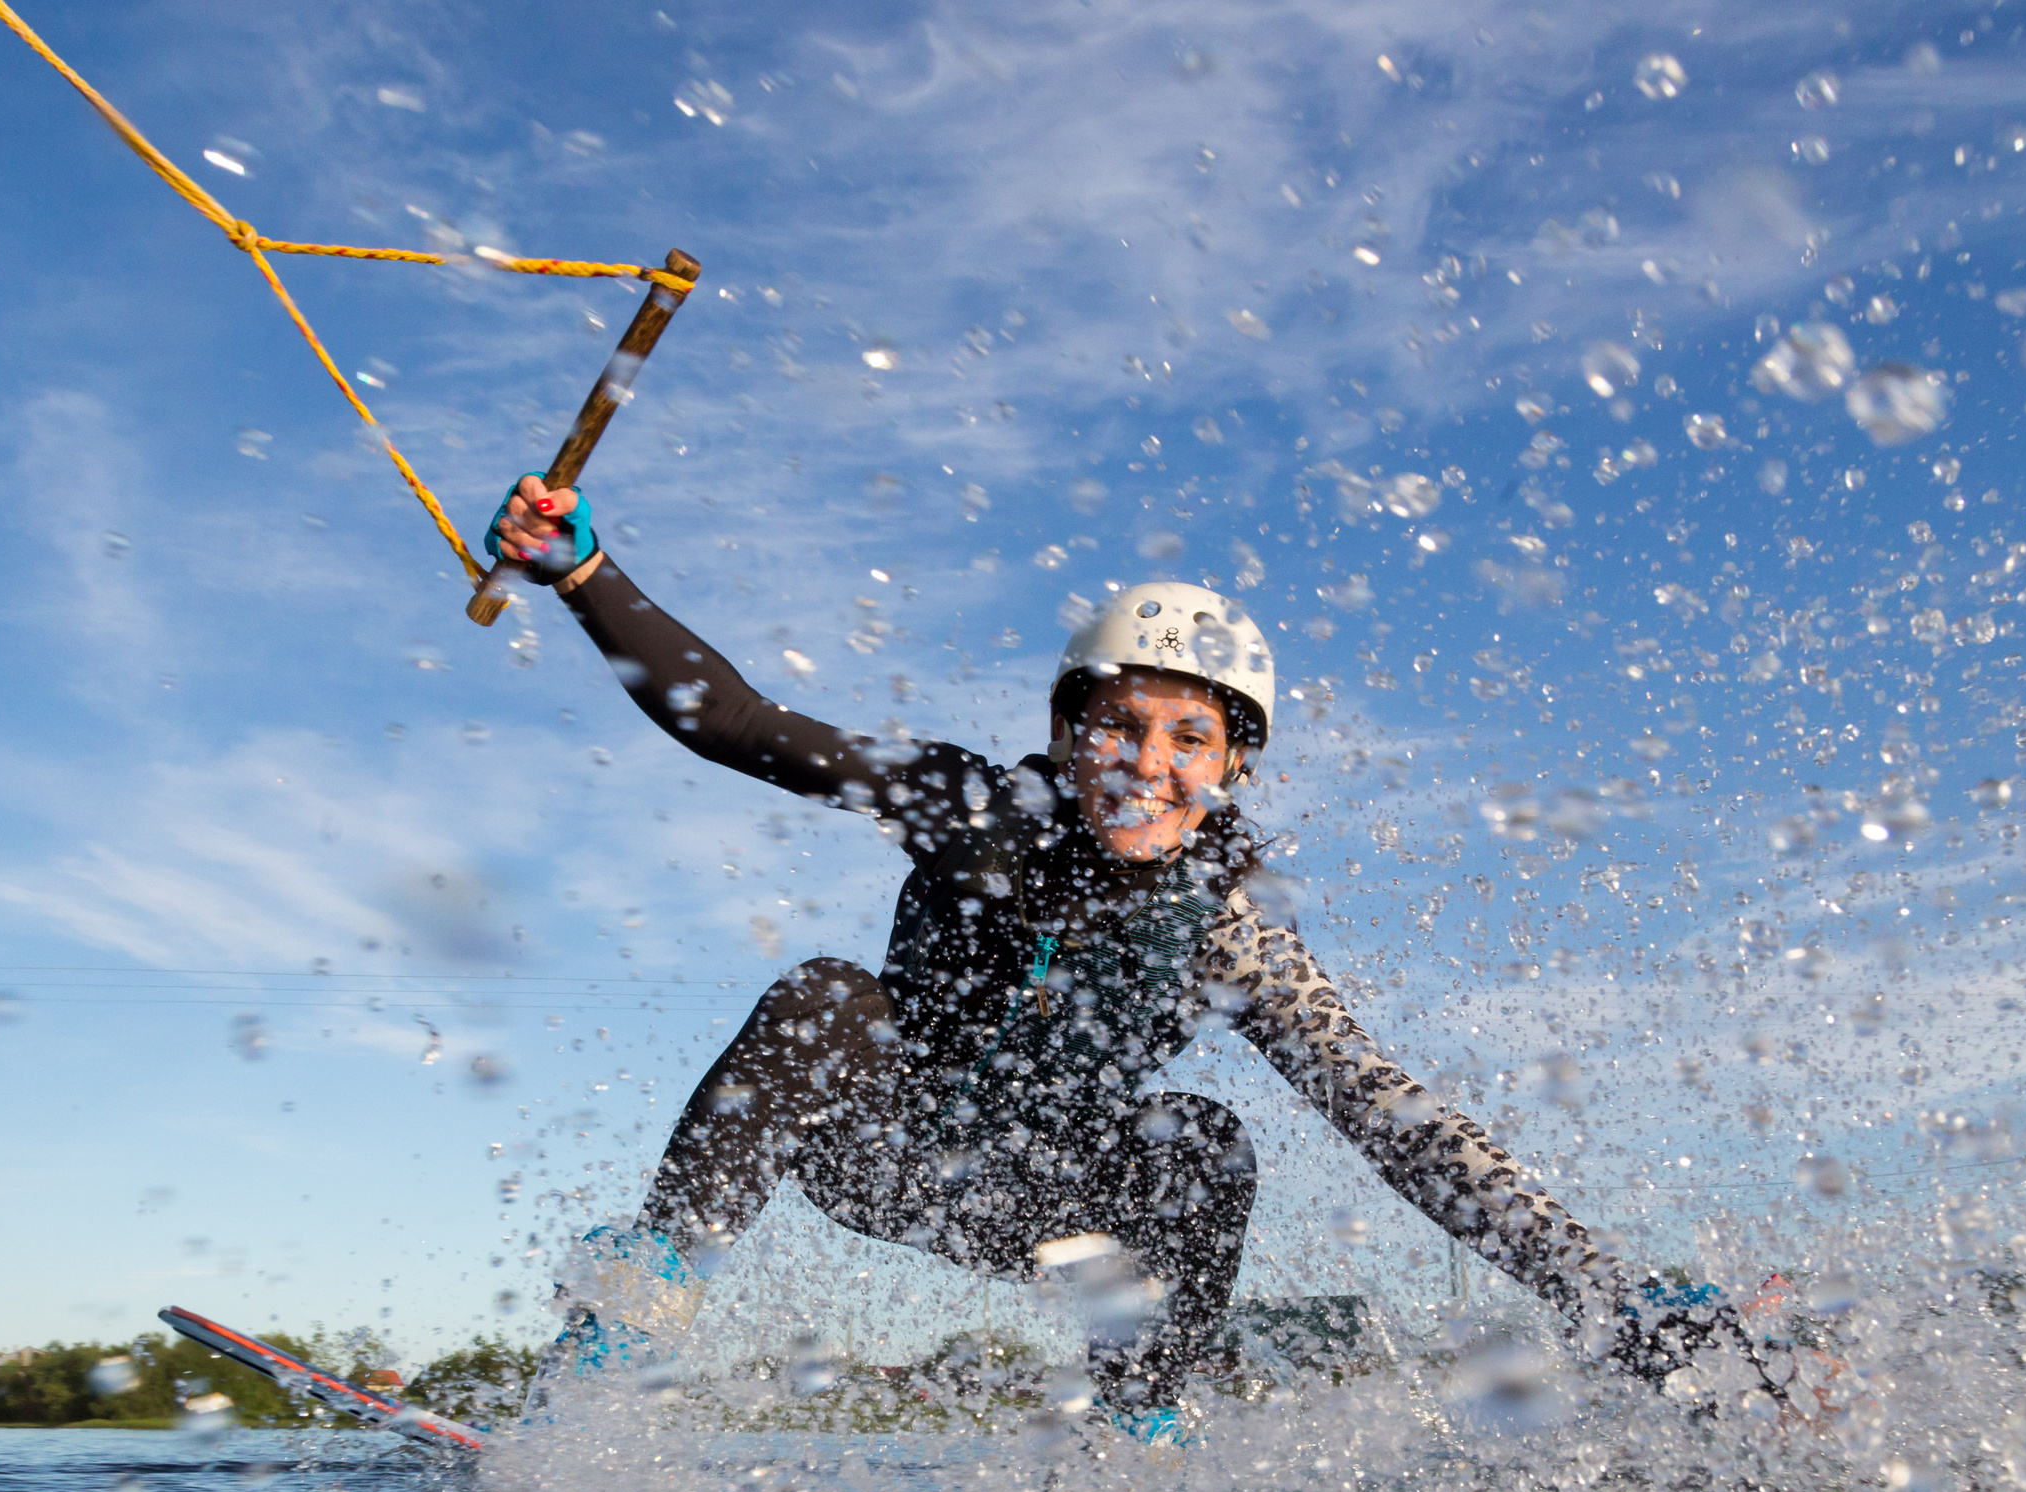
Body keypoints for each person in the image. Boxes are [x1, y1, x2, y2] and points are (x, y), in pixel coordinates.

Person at [485, 473, 1775, 1434]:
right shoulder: (973, 805)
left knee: (1204, 1139)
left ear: (1230, 766)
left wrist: (1604, 1287)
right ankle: (632, 1313)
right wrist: (591, 579)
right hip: (875, 1152)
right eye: (1119, 727)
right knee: (828, 997)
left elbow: (1399, 1124)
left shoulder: (1229, 933)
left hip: (1038, 1207)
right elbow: (746, 729)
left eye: (1189, 741)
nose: (1147, 768)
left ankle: (1150, 1418)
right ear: (1067, 729)